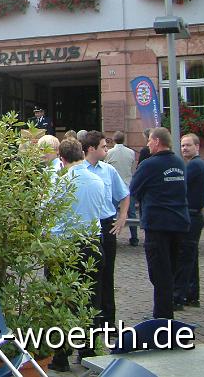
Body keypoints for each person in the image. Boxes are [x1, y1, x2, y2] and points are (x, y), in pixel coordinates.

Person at [48, 139, 107, 371]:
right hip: (91, 244)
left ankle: (61, 356)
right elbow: (102, 210)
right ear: (82, 154)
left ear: (61, 159)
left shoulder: (59, 183)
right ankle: (89, 352)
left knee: (61, 302)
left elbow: (49, 215)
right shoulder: (97, 180)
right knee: (91, 299)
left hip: (65, 247)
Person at [129, 127, 189, 319]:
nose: (147, 144)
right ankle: (165, 312)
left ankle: (163, 318)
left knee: (159, 273)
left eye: (149, 141)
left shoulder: (149, 164)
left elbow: (134, 189)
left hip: (158, 226)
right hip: (179, 223)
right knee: (170, 271)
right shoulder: (180, 163)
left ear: (156, 141)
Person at [80, 130, 129, 328]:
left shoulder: (108, 170)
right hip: (86, 226)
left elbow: (124, 194)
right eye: (103, 147)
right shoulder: (78, 170)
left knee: (108, 273)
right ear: (91, 149)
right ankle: (90, 319)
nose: (106, 150)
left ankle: (108, 320)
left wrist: (123, 216)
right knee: (89, 274)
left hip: (106, 224)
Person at [174, 133, 204, 309]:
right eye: (182, 145)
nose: (184, 148)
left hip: (192, 216)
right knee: (191, 257)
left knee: (185, 257)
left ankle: (178, 297)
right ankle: (192, 295)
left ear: (197, 146)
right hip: (194, 215)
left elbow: (180, 186)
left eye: (188, 145)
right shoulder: (195, 164)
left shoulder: (195, 165)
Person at [105, 131, 138, 246]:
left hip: (114, 187)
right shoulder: (131, 152)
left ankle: (112, 236)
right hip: (128, 185)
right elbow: (132, 167)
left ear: (114, 140)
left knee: (112, 213)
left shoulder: (109, 152)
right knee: (132, 212)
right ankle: (134, 238)